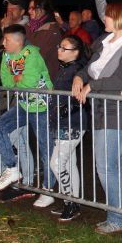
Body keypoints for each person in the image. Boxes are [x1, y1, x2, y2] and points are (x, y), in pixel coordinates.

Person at [72, 1, 122, 234]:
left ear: (121, 18)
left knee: (106, 165)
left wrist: (93, 85)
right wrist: (79, 76)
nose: (104, 18)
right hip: (102, 109)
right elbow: (90, 67)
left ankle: (119, 217)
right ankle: (121, 215)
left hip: (120, 111)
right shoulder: (105, 40)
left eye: (109, 15)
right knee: (109, 165)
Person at [0, 24, 56, 207]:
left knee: (45, 148)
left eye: (7, 40)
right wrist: (17, 79)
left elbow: (30, 82)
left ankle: (48, 191)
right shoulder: (6, 56)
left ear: (18, 42)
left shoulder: (31, 54)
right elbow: (6, 83)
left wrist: (18, 81)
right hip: (24, 105)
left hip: (42, 107)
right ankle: (12, 168)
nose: (3, 43)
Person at [48, 35, 90, 222]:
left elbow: (77, 98)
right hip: (64, 122)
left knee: (57, 164)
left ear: (75, 52)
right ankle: (71, 202)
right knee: (69, 163)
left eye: (64, 48)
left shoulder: (77, 71)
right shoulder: (65, 68)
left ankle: (70, 202)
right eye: (59, 46)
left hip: (71, 124)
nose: (59, 50)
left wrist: (63, 109)